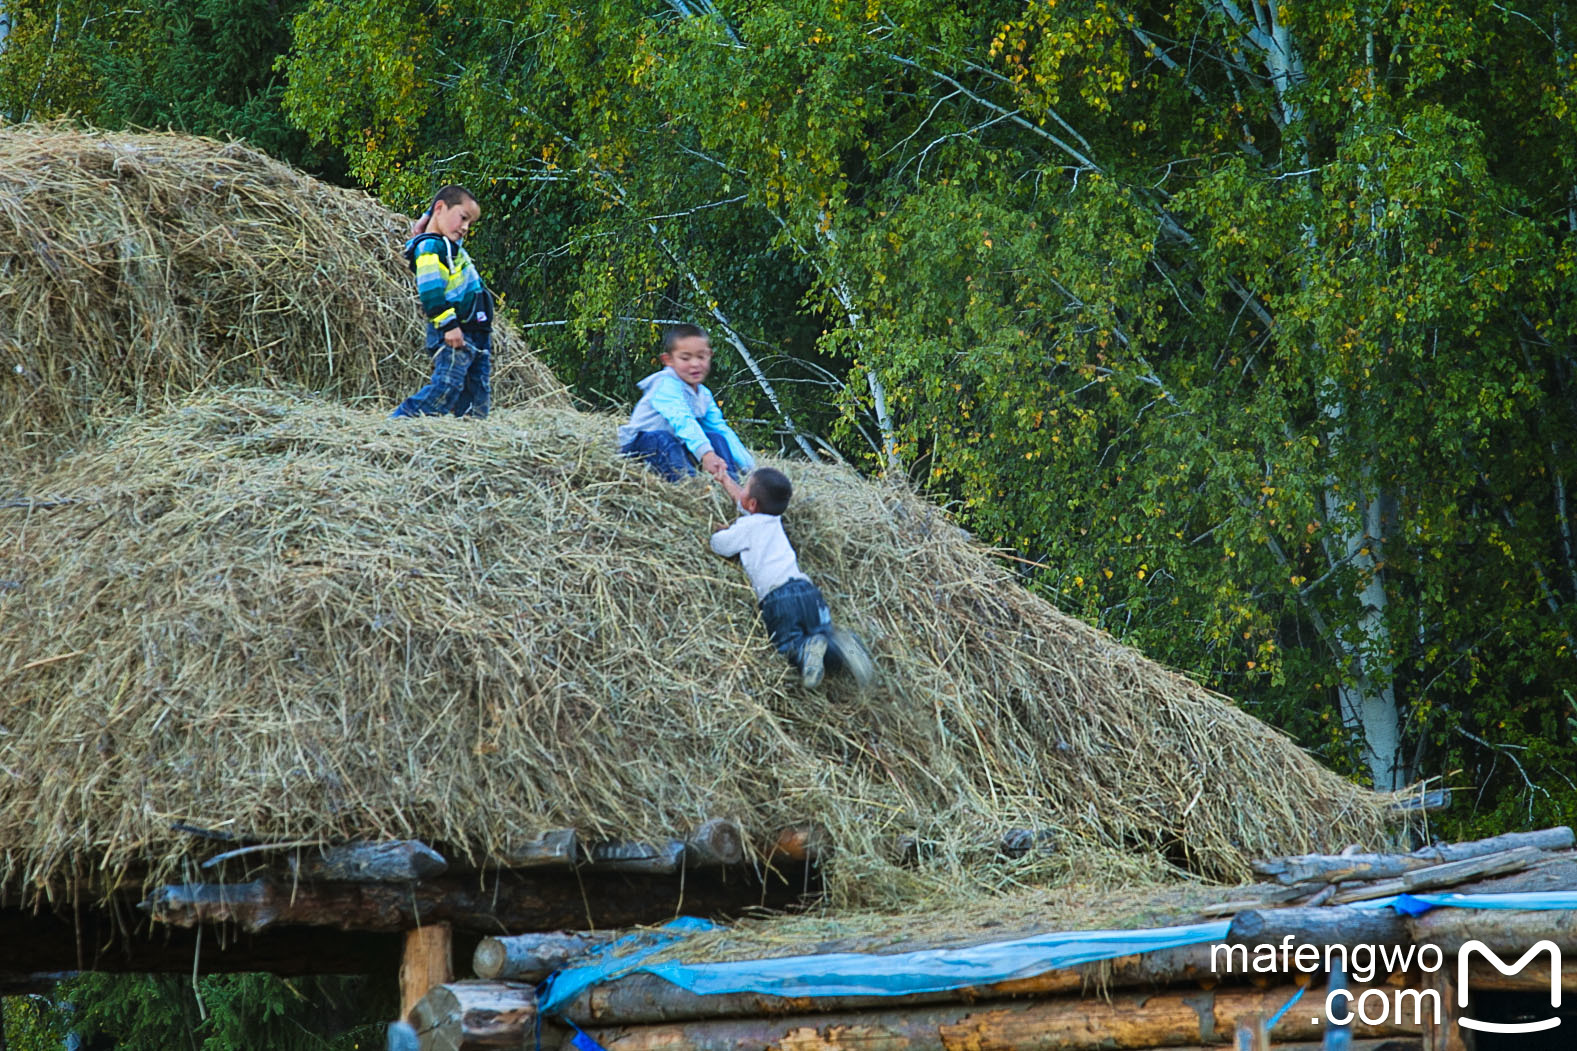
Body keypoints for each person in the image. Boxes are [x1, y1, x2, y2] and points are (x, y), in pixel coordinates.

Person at [710, 467, 875, 690]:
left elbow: (721, 546)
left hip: (779, 598)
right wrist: (725, 480)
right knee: (824, 635)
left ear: (752, 505)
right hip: (807, 591)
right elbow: (745, 501)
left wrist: (718, 532)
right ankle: (845, 645)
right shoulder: (774, 520)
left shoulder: (747, 527)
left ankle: (805, 648)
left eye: (745, 487)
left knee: (789, 647)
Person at [391, 185, 497, 418]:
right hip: (455, 331)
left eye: (470, 223)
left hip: (476, 332)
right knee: (447, 386)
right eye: (463, 218)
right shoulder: (431, 247)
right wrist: (449, 326)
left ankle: (467, 440)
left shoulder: (448, 244)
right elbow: (431, 292)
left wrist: (428, 216)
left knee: (477, 395)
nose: (466, 227)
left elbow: (444, 200)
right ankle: (401, 422)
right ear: (441, 209)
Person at [617, 324, 754, 481]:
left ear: (710, 355)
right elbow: (683, 420)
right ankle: (689, 486)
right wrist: (706, 454)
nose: (695, 364)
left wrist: (749, 468)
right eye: (685, 358)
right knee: (661, 439)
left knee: (716, 438)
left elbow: (721, 429)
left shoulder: (703, 394)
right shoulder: (665, 384)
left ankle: (733, 484)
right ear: (668, 360)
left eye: (701, 357)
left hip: (676, 446)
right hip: (643, 446)